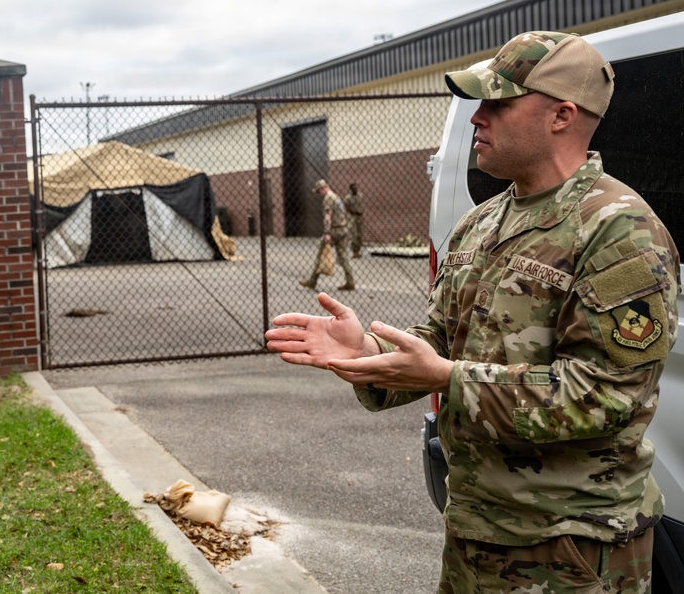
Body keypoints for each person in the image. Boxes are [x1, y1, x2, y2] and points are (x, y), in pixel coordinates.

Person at [266, 31, 680, 593]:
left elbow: (604, 395)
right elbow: (438, 339)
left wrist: (448, 379)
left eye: (498, 103)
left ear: (561, 115)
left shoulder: (618, 229)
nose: (477, 119)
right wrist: (367, 352)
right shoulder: (481, 222)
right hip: (476, 529)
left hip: (574, 544)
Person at [299, 179, 355, 291]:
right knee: (343, 256)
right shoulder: (336, 197)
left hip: (333, 230)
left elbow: (328, 216)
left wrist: (327, 233)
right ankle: (350, 282)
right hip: (342, 229)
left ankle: (312, 281)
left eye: (319, 191)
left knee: (321, 253)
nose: (319, 194)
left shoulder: (328, 198)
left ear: (323, 189)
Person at [343, 182, 364, 258]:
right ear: (351, 189)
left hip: (360, 217)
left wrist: (361, 211)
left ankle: (358, 250)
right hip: (352, 217)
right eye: (353, 188)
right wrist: (354, 211)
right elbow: (346, 208)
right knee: (354, 234)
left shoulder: (360, 195)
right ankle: (354, 251)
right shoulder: (347, 198)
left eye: (356, 187)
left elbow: (361, 205)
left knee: (360, 234)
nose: (355, 189)